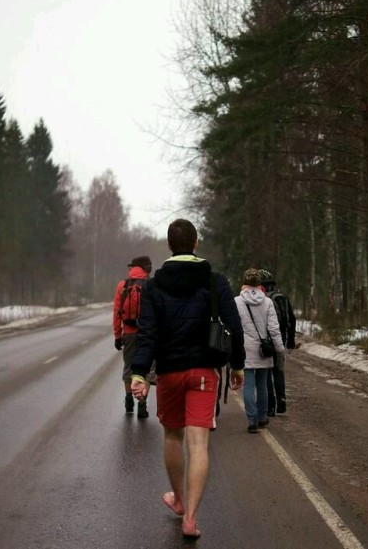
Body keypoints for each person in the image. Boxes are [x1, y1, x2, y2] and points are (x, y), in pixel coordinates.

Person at [130, 218, 245, 539]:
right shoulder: (214, 281)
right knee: (199, 443)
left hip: (168, 372)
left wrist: (139, 372)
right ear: (196, 243)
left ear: (169, 246)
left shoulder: (154, 286)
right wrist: (237, 366)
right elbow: (234, 327)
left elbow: (147, 333)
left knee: (172, 437)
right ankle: (191, 519)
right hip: (204, 372)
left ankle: (178, 500)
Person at [235, 268, 285, 433]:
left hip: (245, 348)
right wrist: (279, 348)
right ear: (259, 284)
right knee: (262, 384)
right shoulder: (267, 302)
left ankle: (252, 419)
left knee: (248, 385)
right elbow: (274, 328)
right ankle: (263, 417)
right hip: (264, 349)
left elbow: (234, 327)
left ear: (244, 282)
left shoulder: (237, 302)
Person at [113, 255, 155, 419]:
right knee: (148, 367)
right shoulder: (151, 285)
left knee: (129, 367)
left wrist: (117, 335)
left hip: (129, 333)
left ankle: (129, 399)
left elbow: (117, 313)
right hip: (147, 333)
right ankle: (142, 404)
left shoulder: (123, 285)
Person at [258, 269, 296, 415]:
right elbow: (292, 319)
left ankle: (270, 405)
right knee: (278, 371)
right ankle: (282, 400)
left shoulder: (261, 299)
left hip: (266, 341)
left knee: (267, 371)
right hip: (281, 338)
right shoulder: (282, 297)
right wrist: (290, 340)